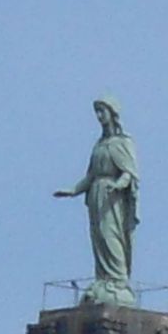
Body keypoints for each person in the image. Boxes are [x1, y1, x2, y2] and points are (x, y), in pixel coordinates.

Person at [53, 96, 140, 306]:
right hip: (96, 195)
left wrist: (119, 185)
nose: (99, 116)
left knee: (112, 236)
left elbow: (130, 173)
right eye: (97, 112)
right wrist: (73, 190)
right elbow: (91, 176)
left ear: (112, 113)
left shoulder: (123, 143)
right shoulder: (99, 144)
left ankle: (118, 281)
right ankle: (103, 279)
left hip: (113, 198)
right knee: (98, 236)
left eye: (102, 111)